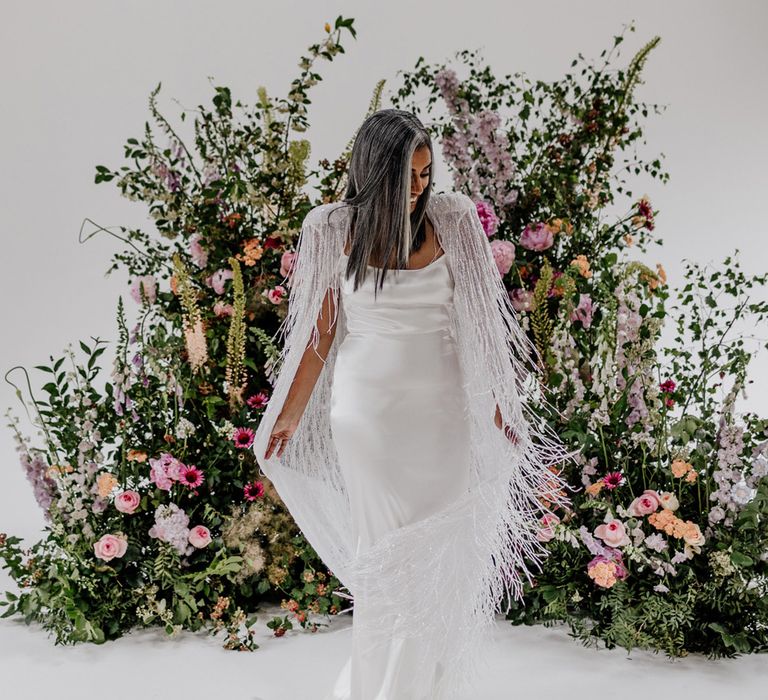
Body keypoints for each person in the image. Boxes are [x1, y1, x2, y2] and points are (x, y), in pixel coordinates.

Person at [252, 109, 579, 700]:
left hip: (443, 414)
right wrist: (292, 412)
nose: (420, 188)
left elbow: (483, 323)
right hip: (368, 419)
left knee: (442, 560)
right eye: (408, 177)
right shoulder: (330, 227)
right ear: (375, 173)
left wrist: (504, 404)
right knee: (381, 562)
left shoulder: (452, 220)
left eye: (427, 174)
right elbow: (320, 336)